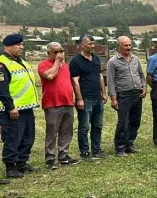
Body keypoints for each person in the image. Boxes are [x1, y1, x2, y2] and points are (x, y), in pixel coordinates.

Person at [0, 34, 40, 180]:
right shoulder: (2, 63)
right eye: (18, 45)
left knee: (28, 137)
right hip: (12, 109)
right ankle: (10, 166)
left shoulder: (21, 61)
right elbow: (2, 89)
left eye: (22, 44)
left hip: (26, 107)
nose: (21, 47)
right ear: (8, 46)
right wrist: (10, 107)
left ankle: (22, 162)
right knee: (13, 137)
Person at [38, 42, 78, 170]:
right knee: (52, 132)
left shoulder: (65, 66)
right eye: (56, 52)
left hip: (67, 102)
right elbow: (50, 76)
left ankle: (63, 155)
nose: (59, 54)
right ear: (48, 53)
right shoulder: (43, 65)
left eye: (61, 51)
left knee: (67, 131)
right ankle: (50, 158)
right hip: (52, 104)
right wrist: (56, 62)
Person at [70, 34, 108, 161]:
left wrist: (104, 92)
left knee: (98, 125)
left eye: (93, 43)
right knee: (84, 127)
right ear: (82, 45)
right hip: (85, 99)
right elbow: (75, 81)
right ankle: (85, 152)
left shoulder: (96, 58)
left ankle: (96, 150)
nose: (93, 46)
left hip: (97, 97)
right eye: (90, 44)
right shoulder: (75, 61)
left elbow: (100, 76)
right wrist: (79, 99)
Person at [107, 36, 146, 157]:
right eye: (126, 45)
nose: (128, 48)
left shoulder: (135, 59)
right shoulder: (112, 62)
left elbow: (141, 74)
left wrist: (144, 87)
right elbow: (110, 81)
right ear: (119, 46)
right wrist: (113, 98)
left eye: (129, 45)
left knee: (135, 121)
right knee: (123, 122)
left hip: (137, 94)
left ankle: (129, 144)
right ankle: (119, 148)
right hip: (123, 95)